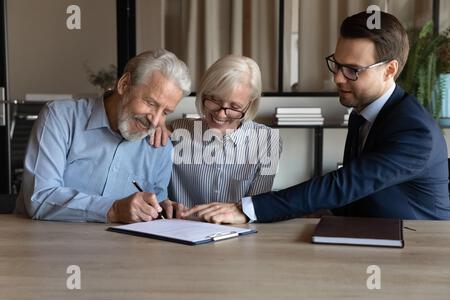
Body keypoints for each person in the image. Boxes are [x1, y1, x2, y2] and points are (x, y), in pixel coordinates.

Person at [183, 11, 450, 223]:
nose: (337, 78)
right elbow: (360, 190)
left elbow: (345, 183)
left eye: (352, 70)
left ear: (389, 70)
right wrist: (334, 212)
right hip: (373, 234)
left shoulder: (415, 132)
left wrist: (247, 209)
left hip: (418, 248)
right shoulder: (363, 113)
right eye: (337, 64)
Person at [15, 49, 191, 223]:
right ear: (123, 84)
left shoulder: (159, 146)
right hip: (49, 245)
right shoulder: (60, 118)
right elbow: (39, 198)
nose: (155, 121)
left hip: (122, 250)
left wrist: (163, 209)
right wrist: (113, 209)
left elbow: (155, 209)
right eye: (151, 103)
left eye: (165, 112)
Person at [159, 55, 282, 220]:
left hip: (237, 237)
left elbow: (255, 209)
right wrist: (157, 121)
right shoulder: (175, 131)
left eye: (234, 107)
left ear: (250, 103)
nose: (220, 114)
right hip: (178, 234)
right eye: (214, 100)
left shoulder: (267, 142)